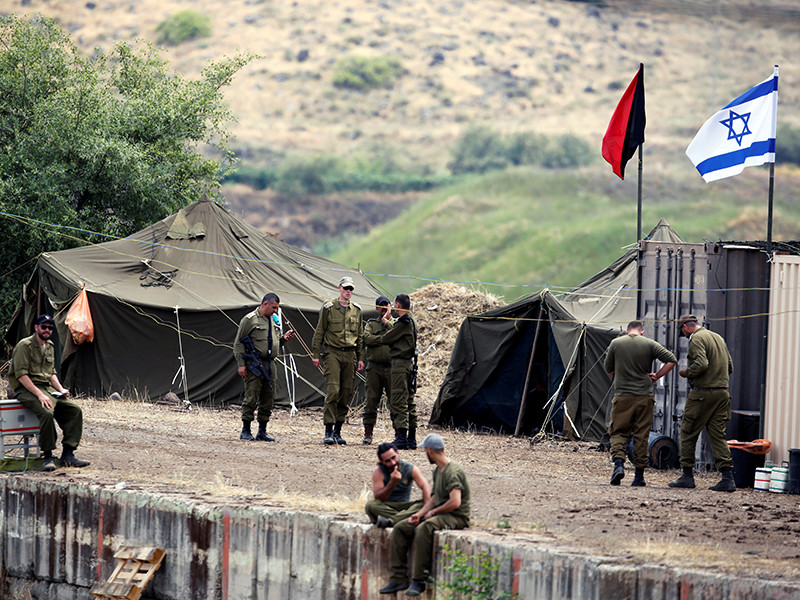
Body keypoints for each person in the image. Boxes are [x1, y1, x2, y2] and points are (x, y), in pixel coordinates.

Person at [379, 433, 470, 597]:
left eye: (425, 451)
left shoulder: (453, 471)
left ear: (430, 451)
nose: (425, 454)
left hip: (456, 516)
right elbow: (434, 498)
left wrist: (433, 513)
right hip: (442, 513)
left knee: (425, 528)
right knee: (401, 527)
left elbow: (455, 502)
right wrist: (420, 514)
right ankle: (398, 578)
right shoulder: (438, 470)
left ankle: (419, 580)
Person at [7, 314, 90, 471]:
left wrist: (61, 389)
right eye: (43, 327)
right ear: (36, 327)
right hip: (26, 389)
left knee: (74, 410)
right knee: (47, 412)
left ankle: (68, 454)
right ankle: (48, 455)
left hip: (47, 388)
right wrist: (40, 395)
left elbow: (51, 373)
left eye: (50, 328)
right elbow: (21, 376)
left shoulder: (50, 345)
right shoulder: (24, 346)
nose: (47, 330)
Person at [604, 321, 677, 487]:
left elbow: (608, 369)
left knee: (618, 432)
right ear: (642, 332)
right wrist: (657, 375)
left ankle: (619, 465)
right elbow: (672, 360)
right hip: (645, 396)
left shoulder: (616, 343)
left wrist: (622, 368)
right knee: (641, 435)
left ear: (627, 331)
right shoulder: (649, 344)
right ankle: (639, 476)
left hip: (623, 395)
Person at [669, 315, 736, 492]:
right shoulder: (718, 338)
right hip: (722, 394)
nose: (684, 336)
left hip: (702, 394)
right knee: (718, 436)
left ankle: (687, 476)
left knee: (688, 431)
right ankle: (727, 478)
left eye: (683, 333)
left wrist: (686, 372)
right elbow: (730, 366)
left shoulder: (697, 338)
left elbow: (701, 364)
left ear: (685, 327)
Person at [233, 293, 294, 442]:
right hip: (254, 363)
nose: (275, 310)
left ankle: (262, 431)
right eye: (273, 307)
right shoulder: (250, 319)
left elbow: (275, 342)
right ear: (265, 304)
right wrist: (241, 364)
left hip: (270, 364)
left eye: (277, 308)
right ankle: (246, 429)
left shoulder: (274, 320)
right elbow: (238, 343)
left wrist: (284, 339)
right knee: (252, 396)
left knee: (268, 397)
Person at [312, 276, 365, 445]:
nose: (348, 291)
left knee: (346, 392)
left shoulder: (356, 310)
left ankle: (338, 430)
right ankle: (328, 429)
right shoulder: (329, 308)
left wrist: (361, 357)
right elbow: (320, 331)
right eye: (346, 288)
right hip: (332, 353)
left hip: (350, 355)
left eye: (351, 289)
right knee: (333, 391)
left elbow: (360, 336)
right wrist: (316, 353)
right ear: (339, 288)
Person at [378, 294, 418, 450]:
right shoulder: (410, 321)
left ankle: (401, 437)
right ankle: (411, 438)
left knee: (399, 400)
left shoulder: (403, 322)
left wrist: (386, 324)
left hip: (399, 365)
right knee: (409, 401)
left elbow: (386, 339)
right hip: (408, 364)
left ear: (398, 305)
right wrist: (389, 323)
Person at [365, 442, 431, 528]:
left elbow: (425, 486)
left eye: (393, 457)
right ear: (382, 462)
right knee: (370, 505)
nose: (392, 463)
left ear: (397, 453)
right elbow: (379, 497)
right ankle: (406, 519)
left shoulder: (410, 469)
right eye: (387, 461)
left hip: (405, 507)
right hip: (386, 506)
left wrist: (426, 509)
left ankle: (391, 521)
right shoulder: (379, 472)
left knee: (425, 503)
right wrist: (392, 482)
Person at [362, 296, 393, 445]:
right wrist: (383, 339)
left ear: (390, 307)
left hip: (392, 367)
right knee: (371, 401)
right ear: (376, 308)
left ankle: (399, 433)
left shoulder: (395, 324)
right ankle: (368, 434)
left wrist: (387, 322)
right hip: (374, 367)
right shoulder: (371, 324)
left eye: (386, 306)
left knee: (395, 402)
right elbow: (367, 338)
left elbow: (396, 335)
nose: (383, 309)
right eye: (381, 306)